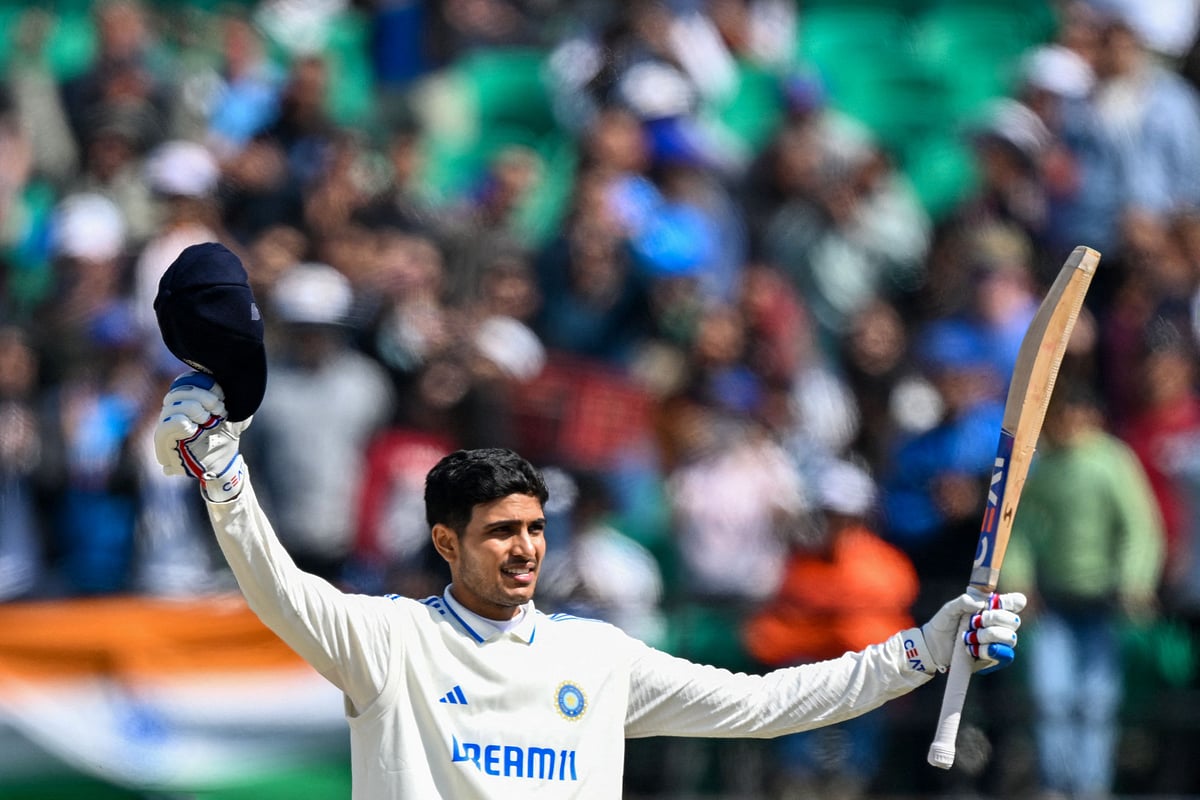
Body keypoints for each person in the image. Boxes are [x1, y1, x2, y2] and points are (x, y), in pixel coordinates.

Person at [153, 374, 1026, 798]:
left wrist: (922, 648)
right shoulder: (389, 641)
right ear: (445, 542)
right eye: (501, 533)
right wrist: (225, 479)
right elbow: (276, 588)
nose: (526, 550)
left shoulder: (596, 655)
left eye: (534, 528)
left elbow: (770, 705)